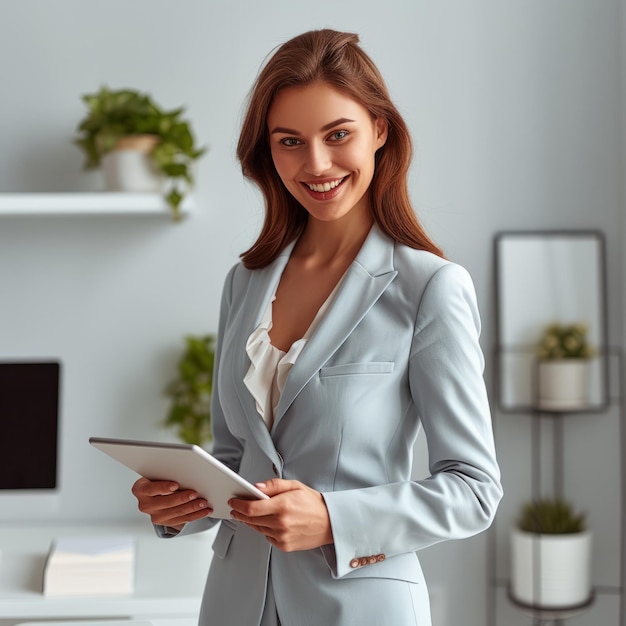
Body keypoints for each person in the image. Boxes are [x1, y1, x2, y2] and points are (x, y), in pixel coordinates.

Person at [132, 28, 502, 626]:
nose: (317, 164)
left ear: (380, 130)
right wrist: (178, 506)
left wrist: (332, 518)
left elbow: (474, 490)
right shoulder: (245, 282)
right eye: (290, 142)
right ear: (267, 153)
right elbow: (234, 455)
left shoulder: (429, 288)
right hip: (233, 604)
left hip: (361, 607)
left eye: (338, 135)